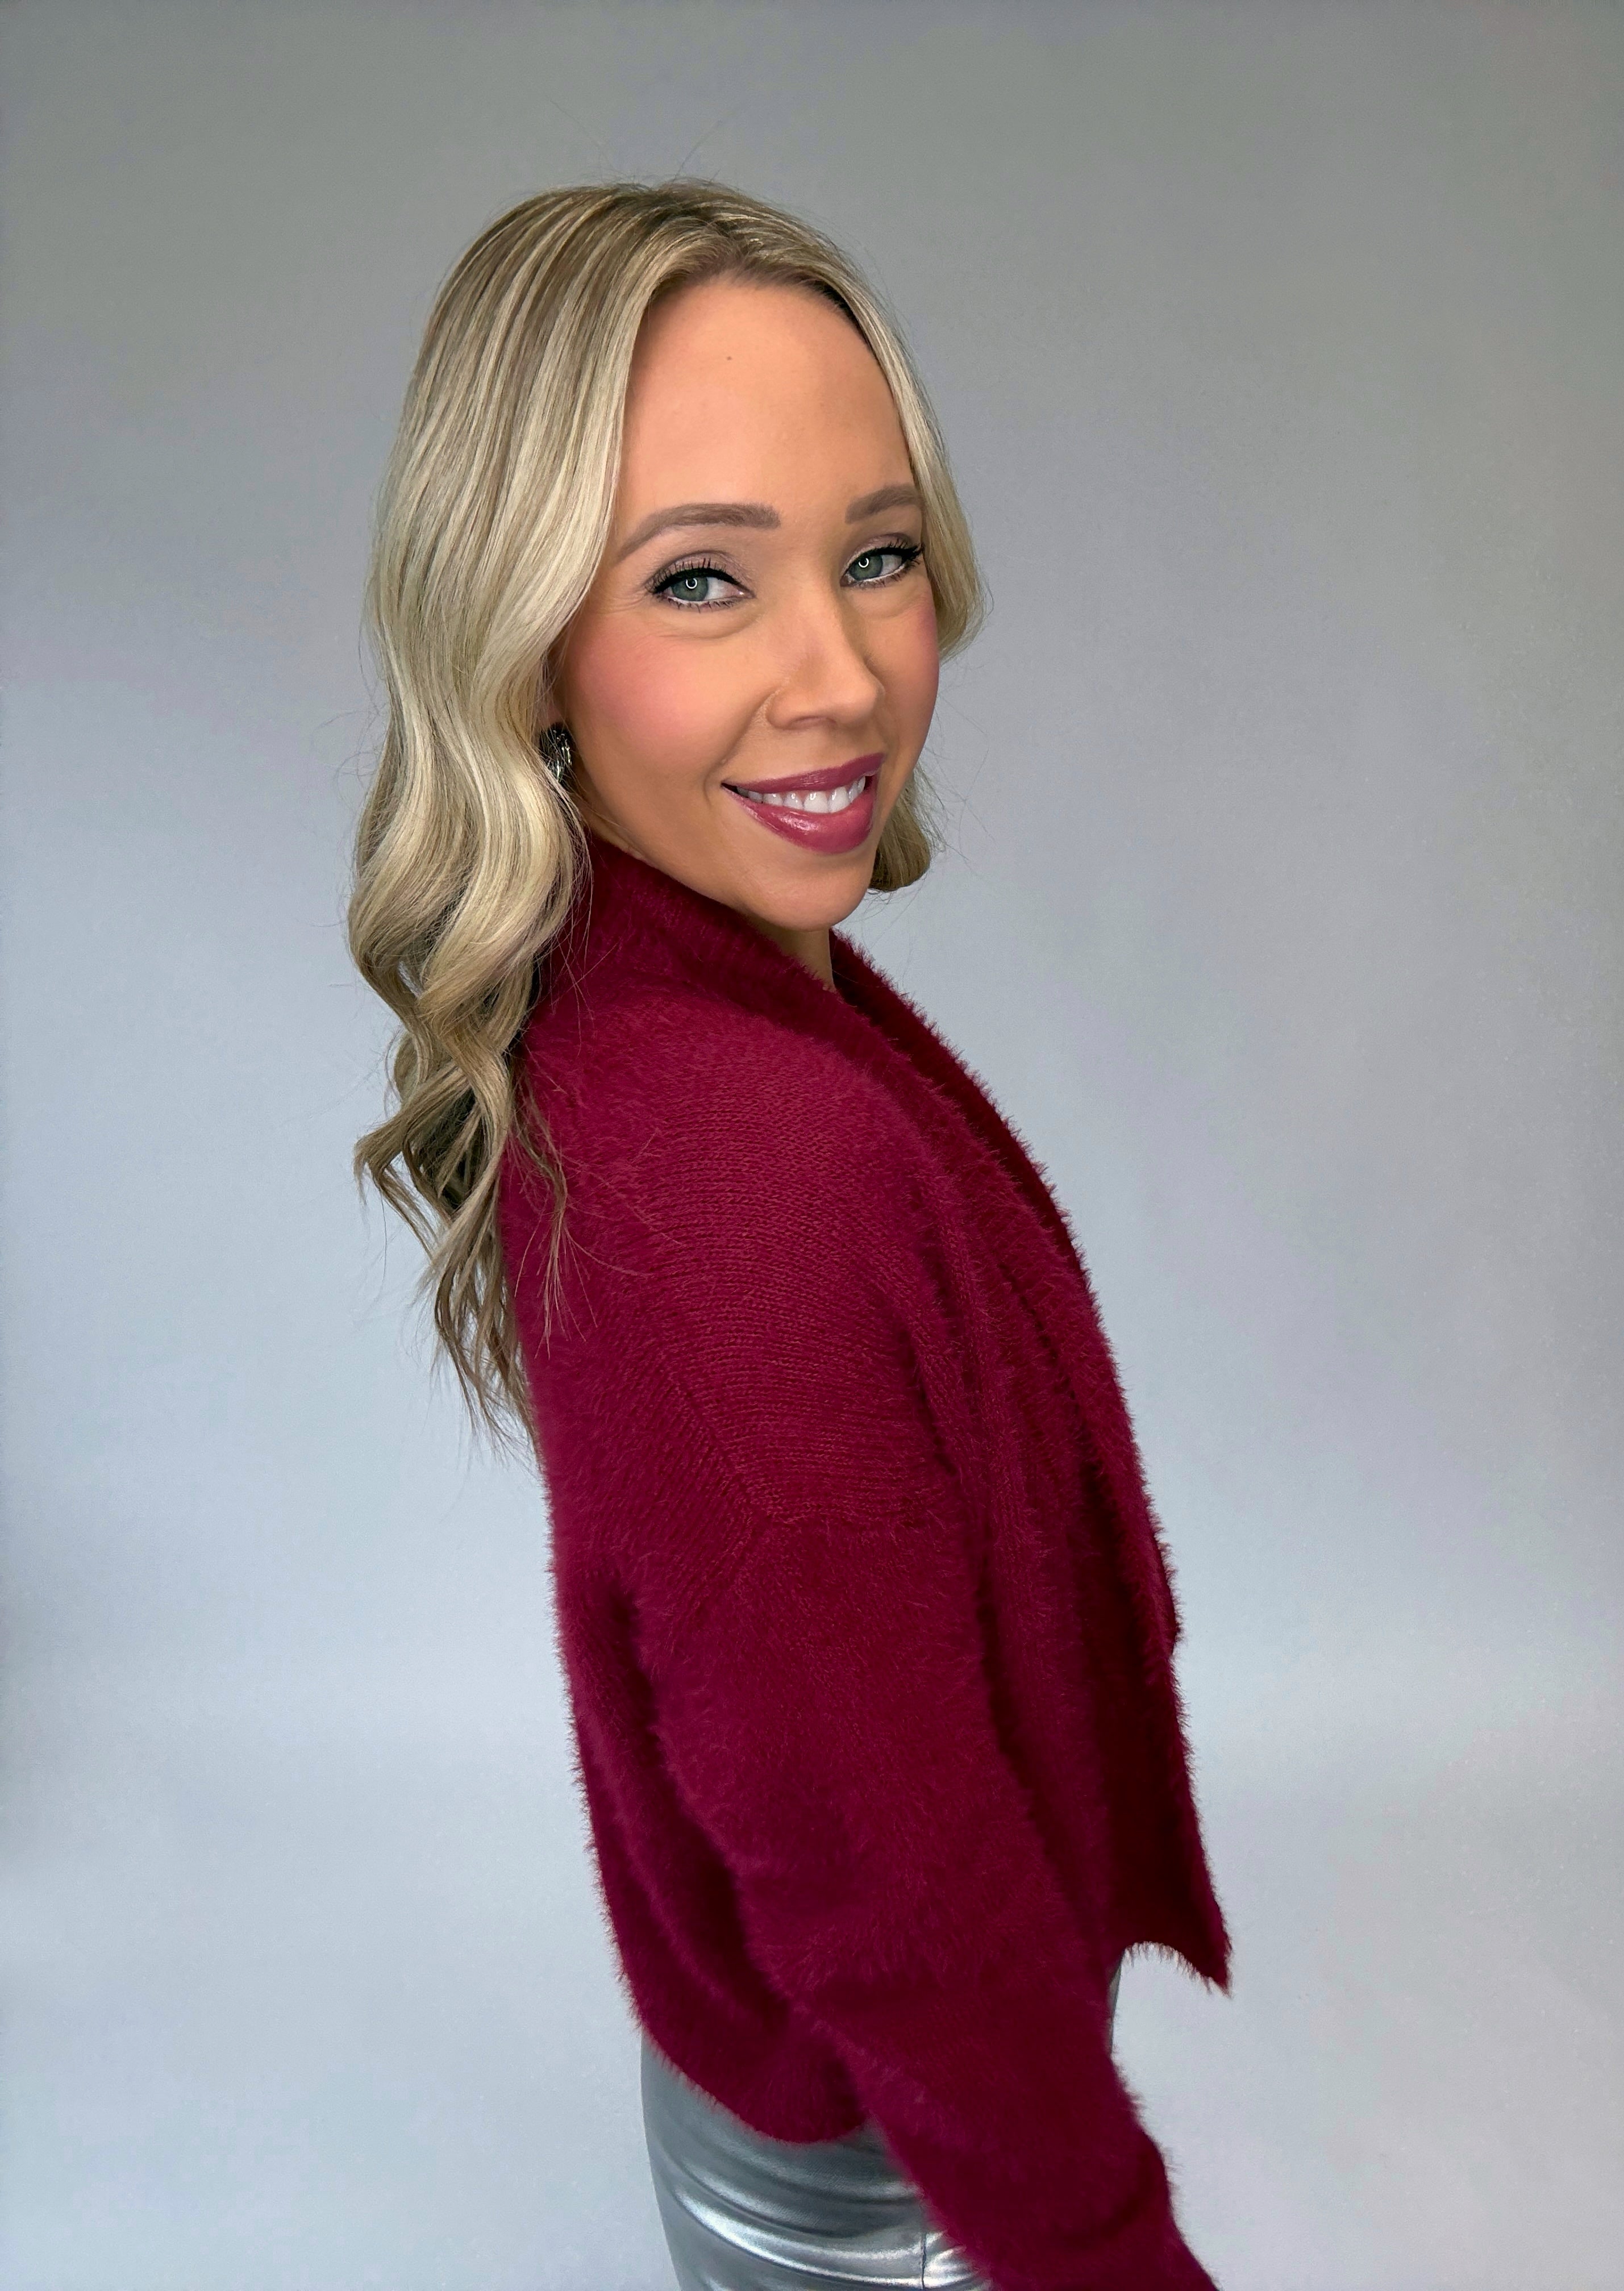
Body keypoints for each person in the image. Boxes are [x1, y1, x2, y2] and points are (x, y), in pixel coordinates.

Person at [348, 179, 1232, 2291]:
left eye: (880, 555)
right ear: (525, 644)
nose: (840, 675)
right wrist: (1107, 2253)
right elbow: (884, 1883)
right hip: (882, 2196)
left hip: (822, 2118)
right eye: (702, 581)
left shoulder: (681, 992)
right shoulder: (732, 1168)